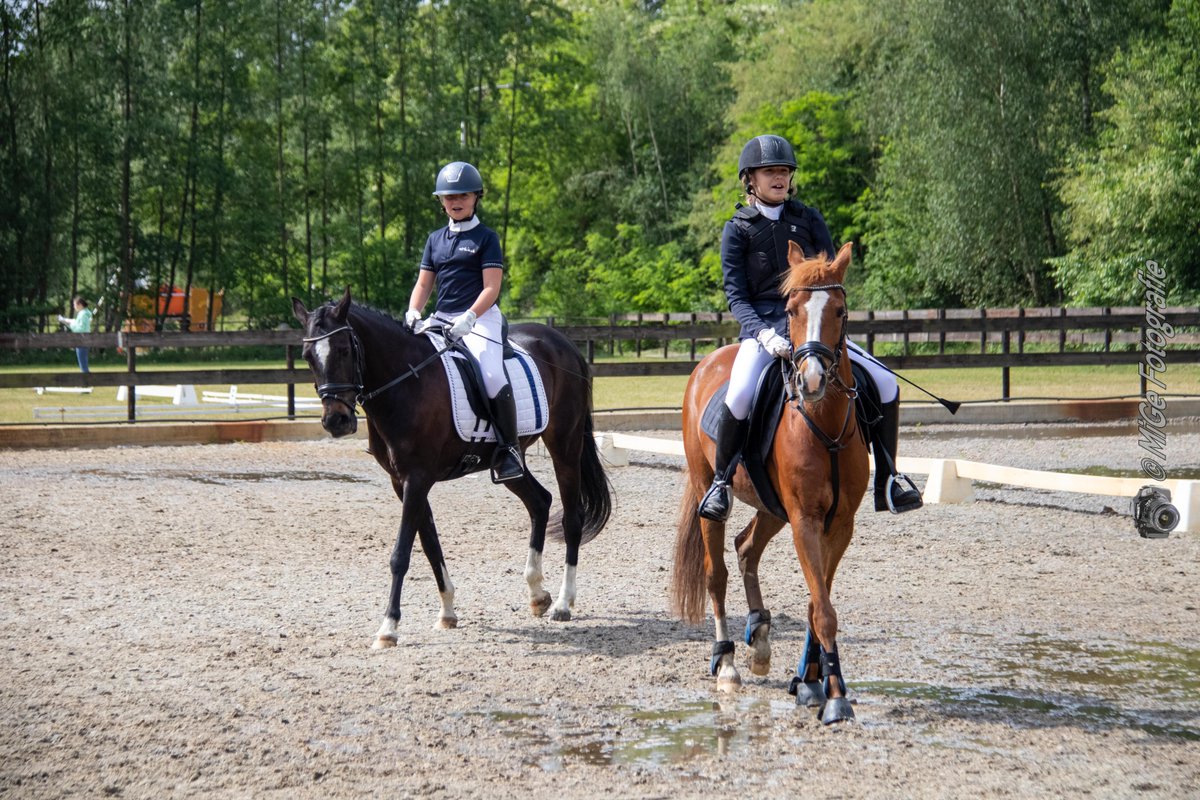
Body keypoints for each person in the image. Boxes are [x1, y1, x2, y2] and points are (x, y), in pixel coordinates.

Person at [697, 134, 922, 521]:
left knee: (885, 381)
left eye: (784, 171)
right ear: (750, 179)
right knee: (739, 394)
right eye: (770, 172)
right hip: (764, 328)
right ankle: (720, 483)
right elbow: (736, 296)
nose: (779, 178)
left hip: (815, 327)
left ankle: (889, 477)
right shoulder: (737, 230)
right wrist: (764, 334)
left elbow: (831, 276)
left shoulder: (808, 219)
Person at [406, 161, 525, 483]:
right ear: (441, 201)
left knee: (490, 372)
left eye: (463, 195)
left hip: (480, 318)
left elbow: (491, 287)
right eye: (448, 196)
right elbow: (424, 284)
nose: (455, 201)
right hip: (442, 318)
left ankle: (509, 450)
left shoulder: (487, 238)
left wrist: (470, 317)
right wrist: (414, 312)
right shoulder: (435, 239)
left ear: (476, 197)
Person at [57, 296, 94, 374]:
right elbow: (76, 323)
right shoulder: (83, 314)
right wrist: (66, 321)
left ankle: (86, 382)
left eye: (74, 305)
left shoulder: (83, 314)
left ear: (79, 304)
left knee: (83, 365)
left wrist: (68, 324)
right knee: (83, 364)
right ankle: (86, 382)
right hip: (82, 341)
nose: (74, 307)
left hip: (82, 341)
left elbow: (80, 329)